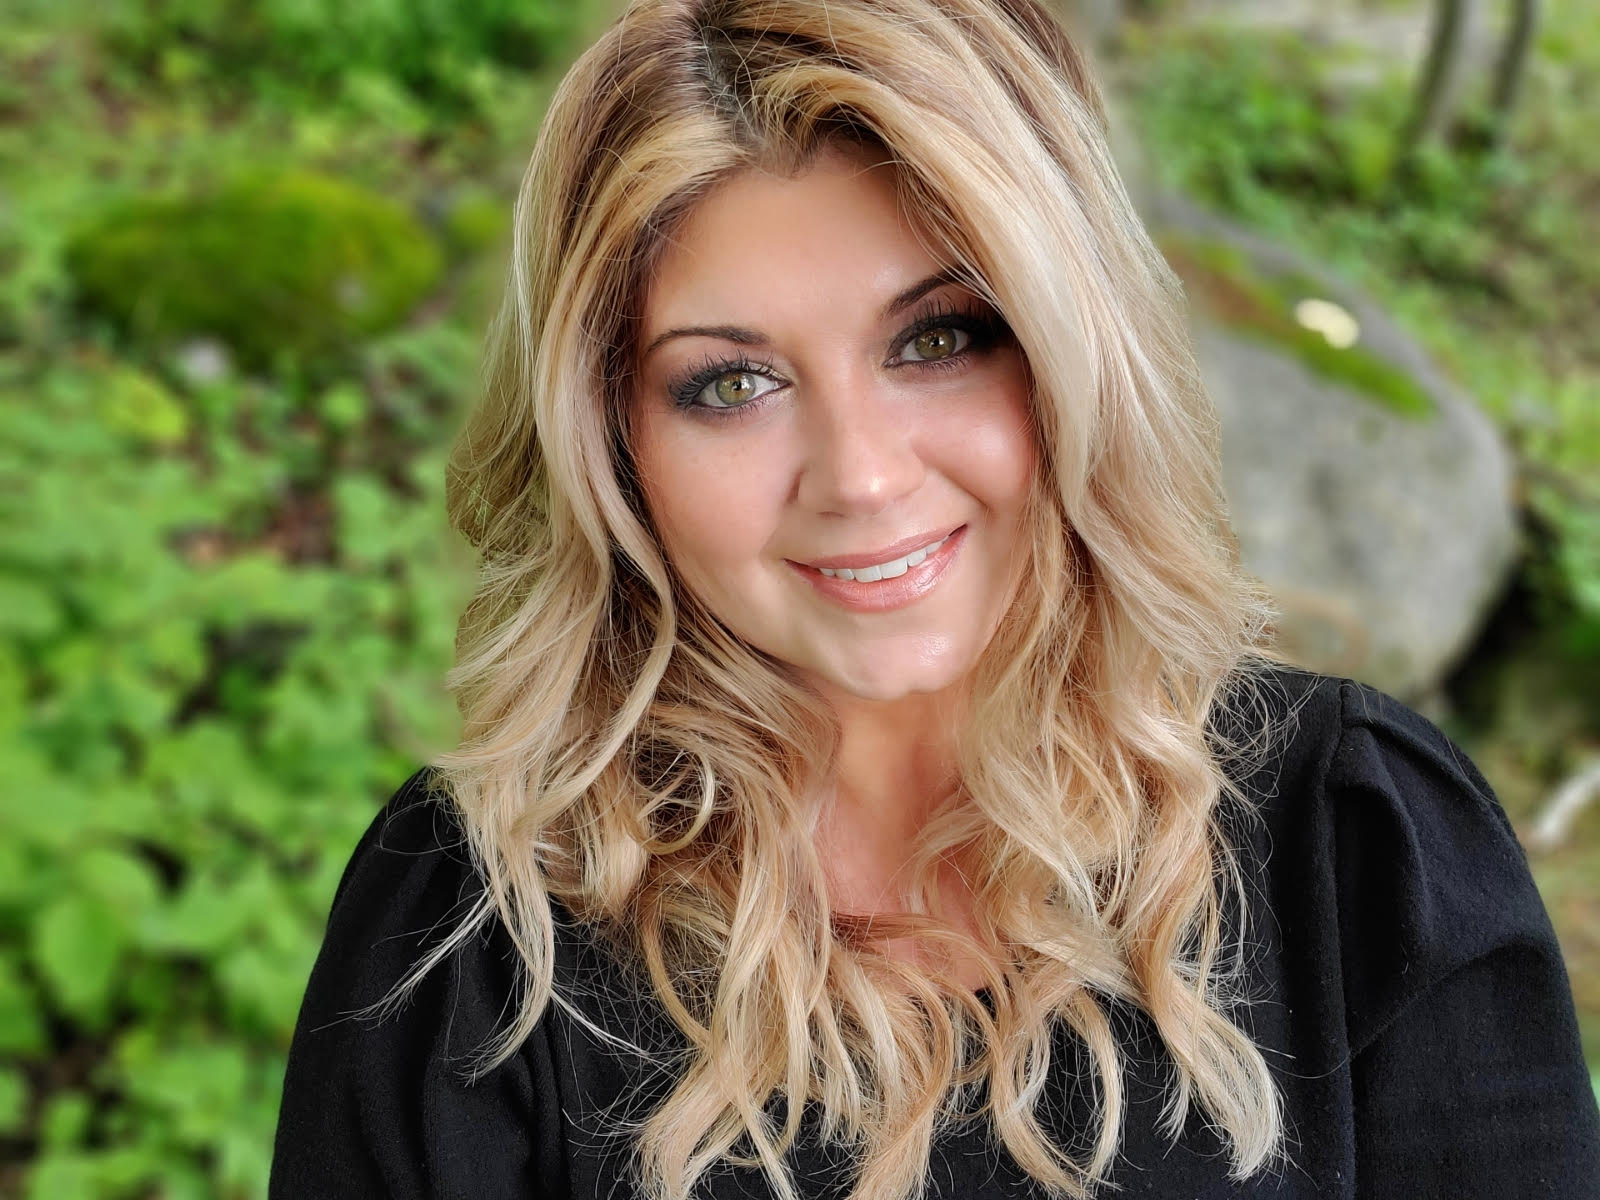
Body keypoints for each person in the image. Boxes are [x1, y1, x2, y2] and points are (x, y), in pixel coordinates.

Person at [268, 0, 1600, 1196]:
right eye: (732, 383)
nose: (859, 476)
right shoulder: (473, 927)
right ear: (613, 444)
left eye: (939, 338)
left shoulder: (1363, 841)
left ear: (1073, 353)